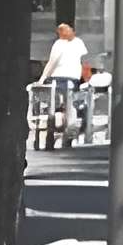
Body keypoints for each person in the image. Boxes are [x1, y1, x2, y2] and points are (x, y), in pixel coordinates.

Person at [37, 20, 92, 150]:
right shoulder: (79, 43)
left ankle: (50, 138)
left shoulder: (59, 44)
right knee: (70, 106)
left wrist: (43, 78)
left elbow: (52, 62)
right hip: (73, 79)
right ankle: (68, 137)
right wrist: (87, 79)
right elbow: (85, 61)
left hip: (58, 78)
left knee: (54, 107)